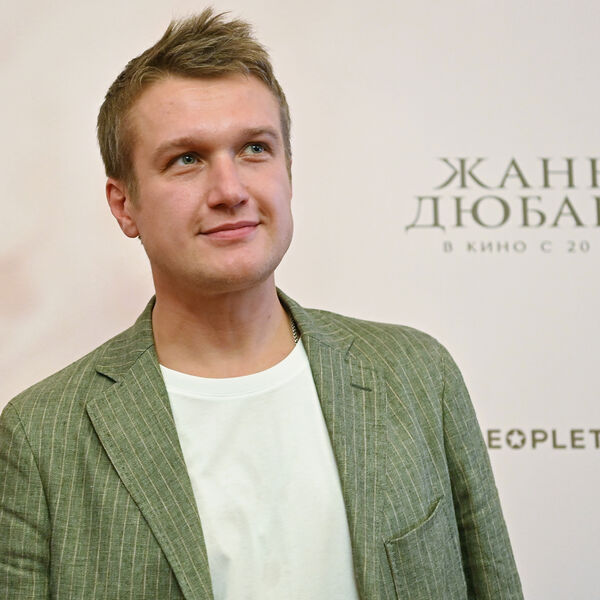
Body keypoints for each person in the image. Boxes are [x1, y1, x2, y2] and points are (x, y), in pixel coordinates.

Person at [0, 8, 523, 600]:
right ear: (124, 205)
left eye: (254, 148)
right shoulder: (41, 436)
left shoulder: (418, 376)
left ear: (288, 173)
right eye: (186, 159)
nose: (230, 191)